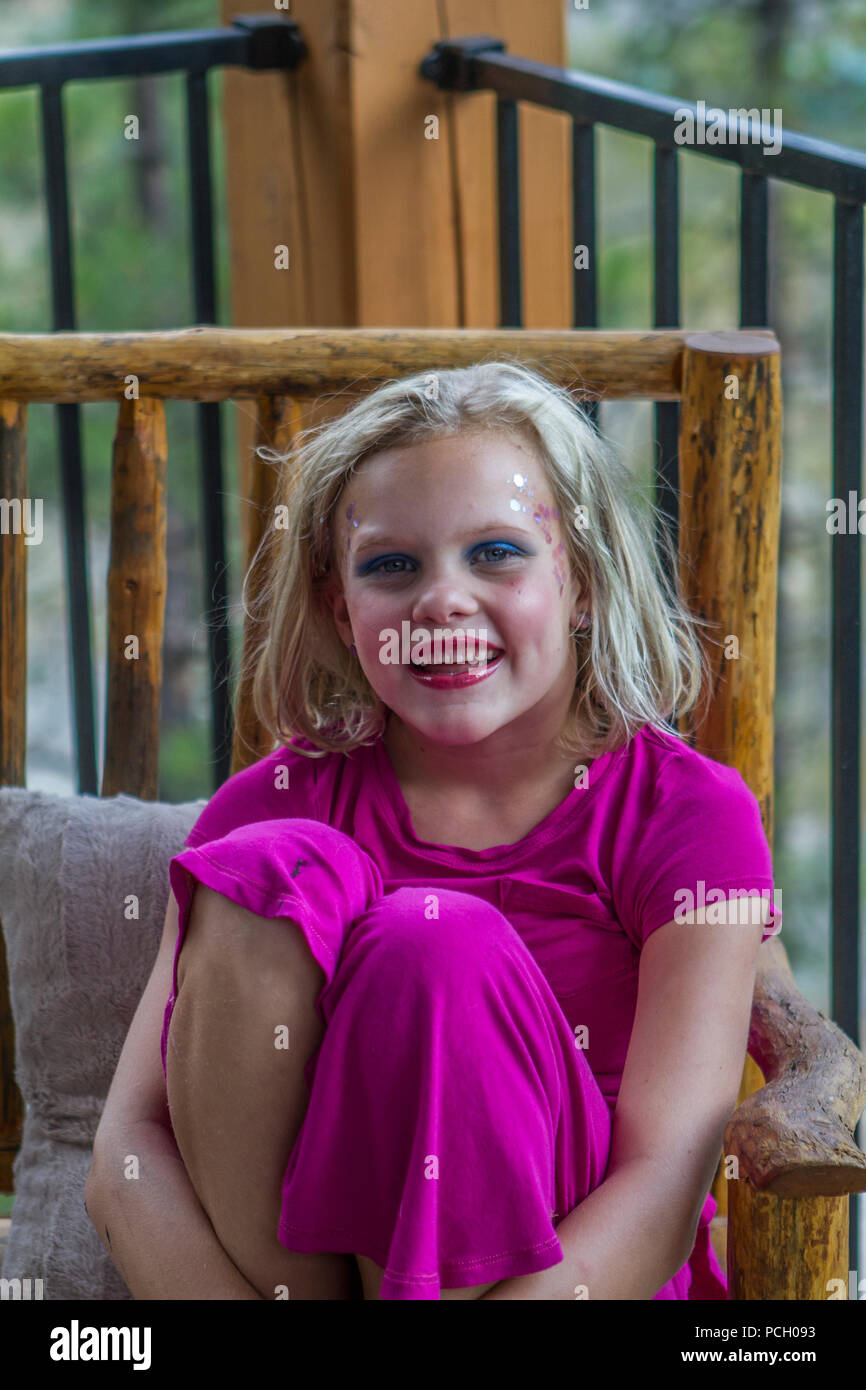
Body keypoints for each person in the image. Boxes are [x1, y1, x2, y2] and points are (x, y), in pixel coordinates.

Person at [86, 359, 782, 1301]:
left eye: (496, 552)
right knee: (267, 874)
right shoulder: (274, 806)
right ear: (343, 607)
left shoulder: (685, 814)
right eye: (391, 566)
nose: (442, 601)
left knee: (433, 945)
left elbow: (664, 1185)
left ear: (579, 582)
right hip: (306, 1284)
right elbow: (127, 1155)